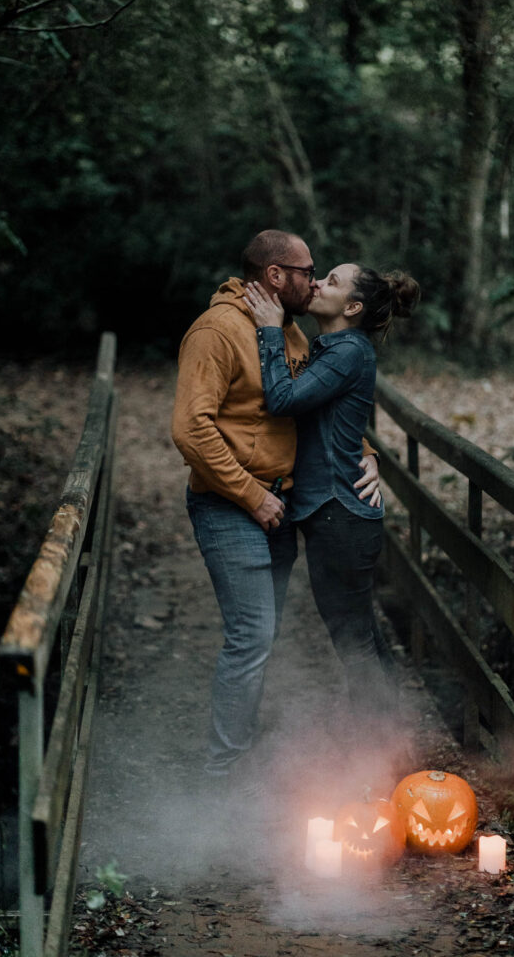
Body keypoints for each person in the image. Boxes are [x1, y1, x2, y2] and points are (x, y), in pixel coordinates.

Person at [171, 230, 380, 784]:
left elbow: (317, 407)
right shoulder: (216, 331)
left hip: (278, 505)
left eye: (322, 274)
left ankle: (244, 744)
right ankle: (223, 771)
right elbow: (191, 431)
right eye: (308, 270)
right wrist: (252, 495)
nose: (314, 280)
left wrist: (367, 452)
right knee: (252, 634)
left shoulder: (286, 331)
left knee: (260, 633)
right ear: (275, 275)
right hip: (231, 504)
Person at [244, 261, 420, 779]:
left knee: (353, 640)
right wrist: (370, 454)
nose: (318, 283)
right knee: (360, 633)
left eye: (333, 282)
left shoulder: (346, 350)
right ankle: (395, 742)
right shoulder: (336, 349)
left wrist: (270, 332)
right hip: (339, 511)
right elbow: (332, 423)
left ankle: (381, 757)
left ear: (353, 308)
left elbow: (282, 399)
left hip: (340, 514)